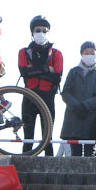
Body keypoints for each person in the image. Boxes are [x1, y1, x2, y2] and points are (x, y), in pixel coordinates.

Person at [18, 15, 62, 156]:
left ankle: (49, 164)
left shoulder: (56, 53)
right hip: (29, 96)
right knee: (28, 136)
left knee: (47, 136)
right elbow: (24, 72)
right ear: (32, 32)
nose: (41, 33)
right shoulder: (24, 52)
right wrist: (47, 69)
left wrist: (35, 70)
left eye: (45, 30)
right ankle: (25, 163)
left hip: (48, 96)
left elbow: (57, 76)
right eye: (38, 30)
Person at [61, 41, 96, 156]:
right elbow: (65, 92)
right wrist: (76, 106)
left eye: (92, 52)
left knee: (90, 153)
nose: (89, 55)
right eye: (86, 52)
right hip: (73, 116)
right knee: (74, 152)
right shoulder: (73, 72)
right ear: (81, 54)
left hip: (91, 117)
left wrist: (85, 105)